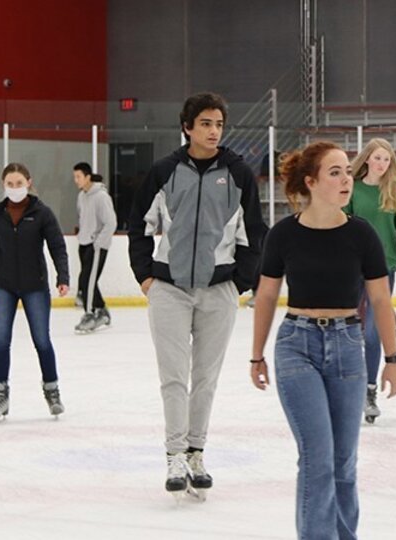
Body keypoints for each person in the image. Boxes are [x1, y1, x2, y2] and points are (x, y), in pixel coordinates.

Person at [251, 141, 396, 540]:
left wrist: (392, 358)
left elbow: (380, 298)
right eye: (334, 172)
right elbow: (266, 295)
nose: (345, 180)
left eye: (346, 172)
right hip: (296, 346)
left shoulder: (362, 234)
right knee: (318, 458)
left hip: (347, 347)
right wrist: (256, 356)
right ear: (311, 181)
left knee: (343, 461)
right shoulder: (283, 235)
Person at [127, 92, 264, 498]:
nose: (213, 131)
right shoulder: (164, 171)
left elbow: (254, 232)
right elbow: (138, 225)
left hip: (218, 291)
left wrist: (238, 282)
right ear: (187, 127)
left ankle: (196, 452)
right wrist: (146, 278)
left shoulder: (238, 174)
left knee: (205, 378)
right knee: (173, 378)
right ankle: (173, 455)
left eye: (218, 124)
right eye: (205, 123)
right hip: (168, 289)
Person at [0, 163, 69, 419]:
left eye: (19, 183)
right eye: (10, 184)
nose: (15, 188)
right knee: (2, 341)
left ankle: (52, 392)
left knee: (42, 340)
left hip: (35, 286)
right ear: (3, 185)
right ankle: (0, 396)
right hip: (3, 285)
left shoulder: (42, 213)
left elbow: (57, 247)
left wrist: (63, 276)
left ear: (29, 183)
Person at [344, 138, 396, 423]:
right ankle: (348, 388)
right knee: (350, 330)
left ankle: (369, 392)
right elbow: (340, 226)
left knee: (372, 333)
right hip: (352, 268)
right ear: (367, 159)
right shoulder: (351, 187)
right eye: (377, 158)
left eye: (386, 160)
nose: (381, 164)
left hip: (383, 268)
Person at [72, 163, 117, 333]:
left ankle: (90, 313)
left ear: (88, 176)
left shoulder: (101, 196)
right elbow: (82, 216)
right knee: (88, 281)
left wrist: (99, 241)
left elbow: (111, 222)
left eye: (78, 177)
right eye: (75, 177)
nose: (76, 180)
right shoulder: (81, 196)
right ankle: (102, 311)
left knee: (86, 281)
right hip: (84, 244)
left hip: (96, 245)